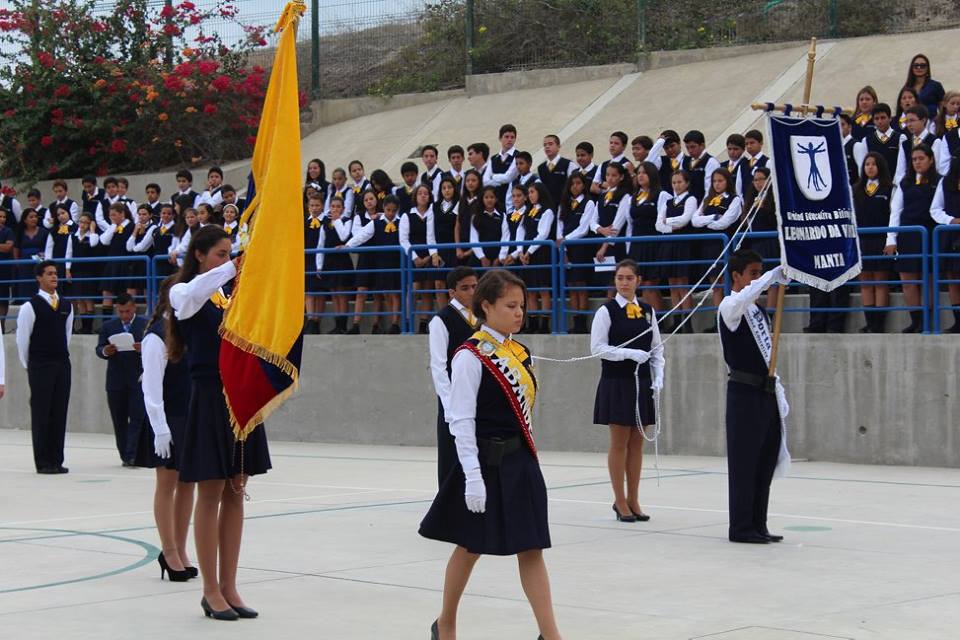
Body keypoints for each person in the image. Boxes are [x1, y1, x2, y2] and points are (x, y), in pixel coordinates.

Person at [419, 269, 561, 640]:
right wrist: (473, 478)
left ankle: (550, 635)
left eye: (522, 306)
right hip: (483, 464)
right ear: (486, 306)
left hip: (519, 463)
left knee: (532, 548)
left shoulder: (520, 351)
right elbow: (461, 420)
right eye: (510, 306)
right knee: (469, 547)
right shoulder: (470, 355)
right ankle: (446, 622)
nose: (519, 313)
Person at [167, 225, 270, 620]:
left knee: (236, 489)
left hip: (239, 397)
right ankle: (210, 589)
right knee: (210, 491)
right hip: (210, 397)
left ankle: (230, 585)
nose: (225, 260)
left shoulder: (230, 298)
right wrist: (236, 266)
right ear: (199, 254)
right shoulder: (184, 293)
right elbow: (191, 294)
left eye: (229, 253)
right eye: (219, 253)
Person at [717, 250, 791, 544]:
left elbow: (768, 356)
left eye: (761, 272)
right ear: (736, 276)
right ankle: (741, 527)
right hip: (743, 394)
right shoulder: (729, 307)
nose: (758, 279)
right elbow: (740, 300)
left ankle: (758, 523)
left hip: (765, 392)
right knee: (745, 462)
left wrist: (779, 391)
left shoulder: (758, 311)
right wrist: (771, 276)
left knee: (764, 460)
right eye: (753, 273)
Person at [591, 259, 664, 523]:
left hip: (641, 382)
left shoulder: (647, 310)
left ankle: (634, 498)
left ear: (638, 281)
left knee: (637, 441)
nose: (624, 282)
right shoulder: (607, 311)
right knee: (619, 441)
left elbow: (657, 346)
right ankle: (619, 500)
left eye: (629, 278)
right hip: (617, 381)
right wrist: (627, 354)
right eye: (620, 278)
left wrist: (660, 374)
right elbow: (597, 347)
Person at [136, 277, 197, 582]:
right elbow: (151, 388)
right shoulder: (156, 335)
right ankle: (169, 550)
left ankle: (181, 548)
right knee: (167, 484)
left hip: (189, 414)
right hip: (168, 417)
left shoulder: (187, 329)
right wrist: (160, 427)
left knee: (188, 484)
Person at [16, 260, 73, 474]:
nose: (54, 277)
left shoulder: (67, 305)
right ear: (39, 278)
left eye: (55, 273)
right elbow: (23, 340)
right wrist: (29, 366)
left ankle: (57, 459)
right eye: (49, 273)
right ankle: (43, 461)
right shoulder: (30, 306)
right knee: (42, 413)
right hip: (40, 365)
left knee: (59, 411)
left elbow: (66, 335)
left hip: (61, 364)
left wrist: (60, 357)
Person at [428, 266, 479, 486]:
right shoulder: (442, 320)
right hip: (455, 401)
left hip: (479, 395)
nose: (471, 292)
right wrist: (449, 406)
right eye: (465, 288)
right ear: (452, 292)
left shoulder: (482, 317)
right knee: (452, 459)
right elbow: (438, 366)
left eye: (475, 287)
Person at [885, 144, 939, 333]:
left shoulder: (938, 181)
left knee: (928, 280)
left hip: (929, 233)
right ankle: (915, 320)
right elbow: (896, 211)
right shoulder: (905, 182)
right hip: (908, 235)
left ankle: (927, 320)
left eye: (921, 158)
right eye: (914, 159)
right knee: (907, 280)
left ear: (931, 160)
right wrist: (891, 239)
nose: (917, 162)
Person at [96, 292, 147, 466]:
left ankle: (133, 454)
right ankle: (124, 453)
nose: (124, 315)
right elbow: (99, 348)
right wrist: (105, 351)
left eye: (127, 311)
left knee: (137, 418)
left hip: (137, 379)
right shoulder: (108, 326)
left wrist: (143, 348)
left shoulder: (145, 324)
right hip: (116, 381)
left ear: (134, 308)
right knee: (119, 420)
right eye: (121, 312)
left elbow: (157, 346)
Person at [853, 152, 894, 333]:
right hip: (862, 240)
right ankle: (869, 322)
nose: (870, 167)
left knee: (880, 280)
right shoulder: (856, 189)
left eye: (874, 164)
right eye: (867, 164)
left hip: (880, 239)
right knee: (866, 282)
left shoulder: (888, 188)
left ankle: (879, 324)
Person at [556, 173, 596, 333]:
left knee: (581, 285)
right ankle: (575, 321)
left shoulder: (589, 203)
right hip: (566, 248)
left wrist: (566, 239)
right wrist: (562, 245)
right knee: (571, 286)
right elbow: (559, 228)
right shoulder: (563, 204)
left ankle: (582, 323)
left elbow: (583, 228)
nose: (575, 186)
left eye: (578, 183)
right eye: (572, 184)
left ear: (583, 185)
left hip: (580, 247)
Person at [930, 153, 960, 333]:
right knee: (952, 279)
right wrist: (951, 221)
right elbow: (935, 209)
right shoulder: (946, 182)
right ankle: (958, 321)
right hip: (951, 236)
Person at [904, 53, 944, 118]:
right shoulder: (907, 87)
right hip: (912, 123)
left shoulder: (936, 86)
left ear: (927, 68)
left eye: (922, 65)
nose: (919, 68)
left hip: (932, 124)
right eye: (916, 65)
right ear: (912, 68)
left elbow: (943, 109)